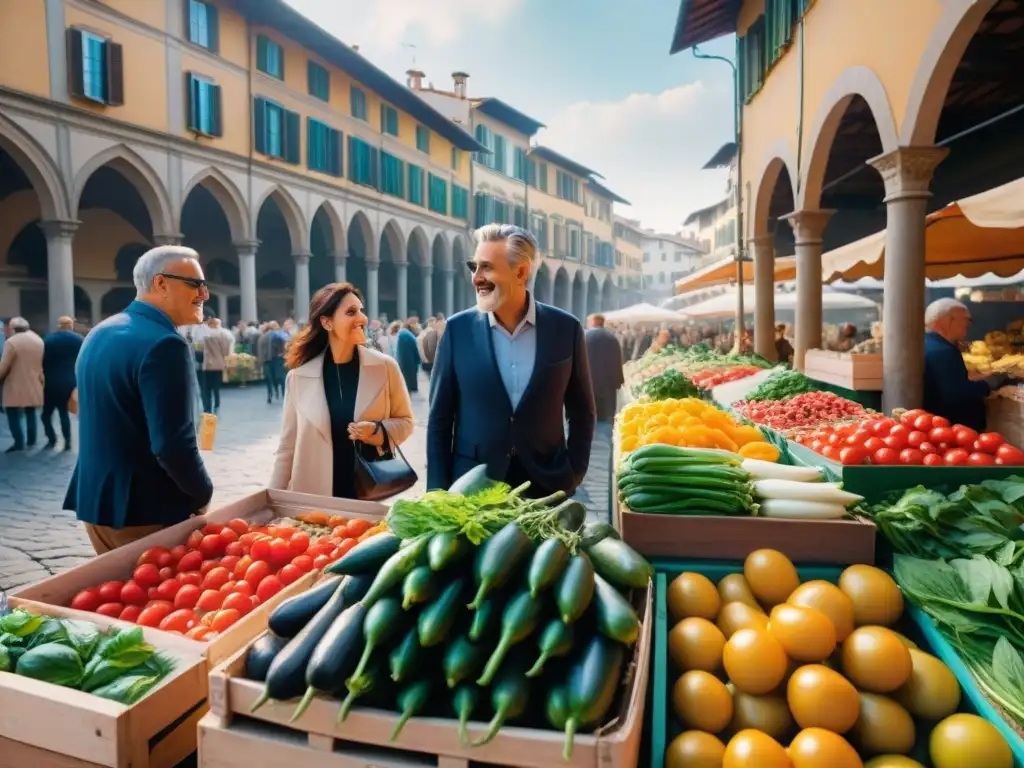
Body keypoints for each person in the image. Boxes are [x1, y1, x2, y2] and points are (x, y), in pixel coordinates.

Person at [64, 245, 213, 554]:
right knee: (156, 600)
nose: (204, 294)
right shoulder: (165, 344)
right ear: (161, 284)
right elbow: (172, 445)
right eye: (195, 284)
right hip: (146, 510)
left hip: (98, 503)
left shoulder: (99, 332)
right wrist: (203, 493)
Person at [427, 224, 596, 497]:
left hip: (547, 486)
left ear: (521, 272)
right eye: (474, 267)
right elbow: (439, 419)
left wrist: (574, 472)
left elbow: (583, 411)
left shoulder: (567, 329)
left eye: (487, 268)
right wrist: (436, 492)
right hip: (472, 490)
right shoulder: (457, 330)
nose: (476, 278)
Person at [270, 283, 414, 498]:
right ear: (327, 322)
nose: (362, 318)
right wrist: (273, 498)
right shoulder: (298, 378)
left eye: (361, 310)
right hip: (313, 497)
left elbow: (406, 422)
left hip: (369, 492)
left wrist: (377, 432)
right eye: (351, 312)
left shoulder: (385, 368)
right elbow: (287, 448)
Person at [923, 298, 1006, 432]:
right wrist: (988, 383)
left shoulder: (926, 343)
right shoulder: (943, 351)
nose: (965, 333)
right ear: (948, 321)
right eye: (964, 325)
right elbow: (956, 394)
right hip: (949, 431)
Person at [0, 316, 45, 452]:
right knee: (31, 412)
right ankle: (32, 440)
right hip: (34, 381)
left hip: (15, 384)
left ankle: (19, 442)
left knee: (12, 412)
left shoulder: (12, 342)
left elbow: (5, 365)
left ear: (13, 329)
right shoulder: (38, 340)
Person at [42, 316, 83, 450]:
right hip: (70, 382)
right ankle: (68, 442)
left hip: (51, 382)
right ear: (71, 325)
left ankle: (51, 439)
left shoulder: (49, 340)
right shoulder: (79, 340)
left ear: (59, 325)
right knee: (64, 413)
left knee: (46, 414)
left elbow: (42, 360)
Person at [585, 313, 624, 422]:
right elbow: (618, 359)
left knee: (590, 411)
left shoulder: (584, 336)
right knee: (606, 414)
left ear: (592, 322)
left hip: (589, 380)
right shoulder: (612, 338)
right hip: (608, 382)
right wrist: (619, 380)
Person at [199, 316, 233, 414]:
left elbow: (199, 346)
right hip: (218, 364)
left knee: (207, 388)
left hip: (207, 364)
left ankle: (207, 407)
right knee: (216, 387)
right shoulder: (222, 334)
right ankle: (217, 404)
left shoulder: (205, 334)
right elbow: (225, 350)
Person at [396, 320, 421, 393]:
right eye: (416, 324)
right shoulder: (407, 335)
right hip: (408, 367)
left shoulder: (405, 334)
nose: (418, 326)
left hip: (407, 366)